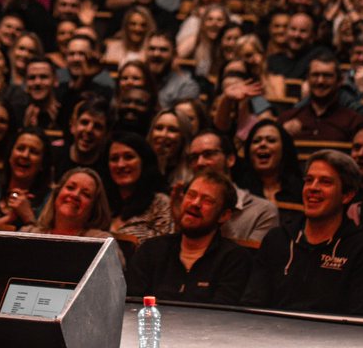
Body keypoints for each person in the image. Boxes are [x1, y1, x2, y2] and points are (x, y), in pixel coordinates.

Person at [242, 150, 363, 314]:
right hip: (269, 335)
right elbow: (252, 305)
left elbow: (356, 320)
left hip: (329, 338)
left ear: (347, 195)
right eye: (309, 180)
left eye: (325, 182)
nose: (313, 188)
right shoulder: (277, 239)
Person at [127, 171, 253, 304]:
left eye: (207, 200)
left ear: (224, 215)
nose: (195, 203)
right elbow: (131, 305)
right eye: (191, 195)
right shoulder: (151, 250)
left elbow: (221, 316)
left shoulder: (234, 259)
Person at [186, 130, 278, 244]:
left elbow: (250, 261)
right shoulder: (185, 204)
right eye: (194, 157)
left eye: (208, 154)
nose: (199, 162)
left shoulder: (262, 211)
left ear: (230, 160)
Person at [104, 132, 174, 245]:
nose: (120, 165)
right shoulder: (103, 204)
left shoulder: (160, 203)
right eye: (114, 159)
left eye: (128, 157)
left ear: (144, 161)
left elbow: (166, 249)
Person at [22, 167, 111, 238]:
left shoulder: (101, 241)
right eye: (70, 188)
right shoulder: (28, 234)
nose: (75, 195)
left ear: (94, 208)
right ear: (56, 194)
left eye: (85, 194)